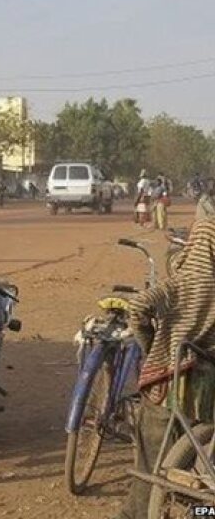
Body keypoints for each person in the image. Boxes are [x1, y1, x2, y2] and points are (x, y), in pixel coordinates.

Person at [115, 220, 215, 518]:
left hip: (167, 382)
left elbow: (137, 308)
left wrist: (150, 345)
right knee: (196, 464)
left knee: (152, 463)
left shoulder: (178, 283)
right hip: (206, 387)